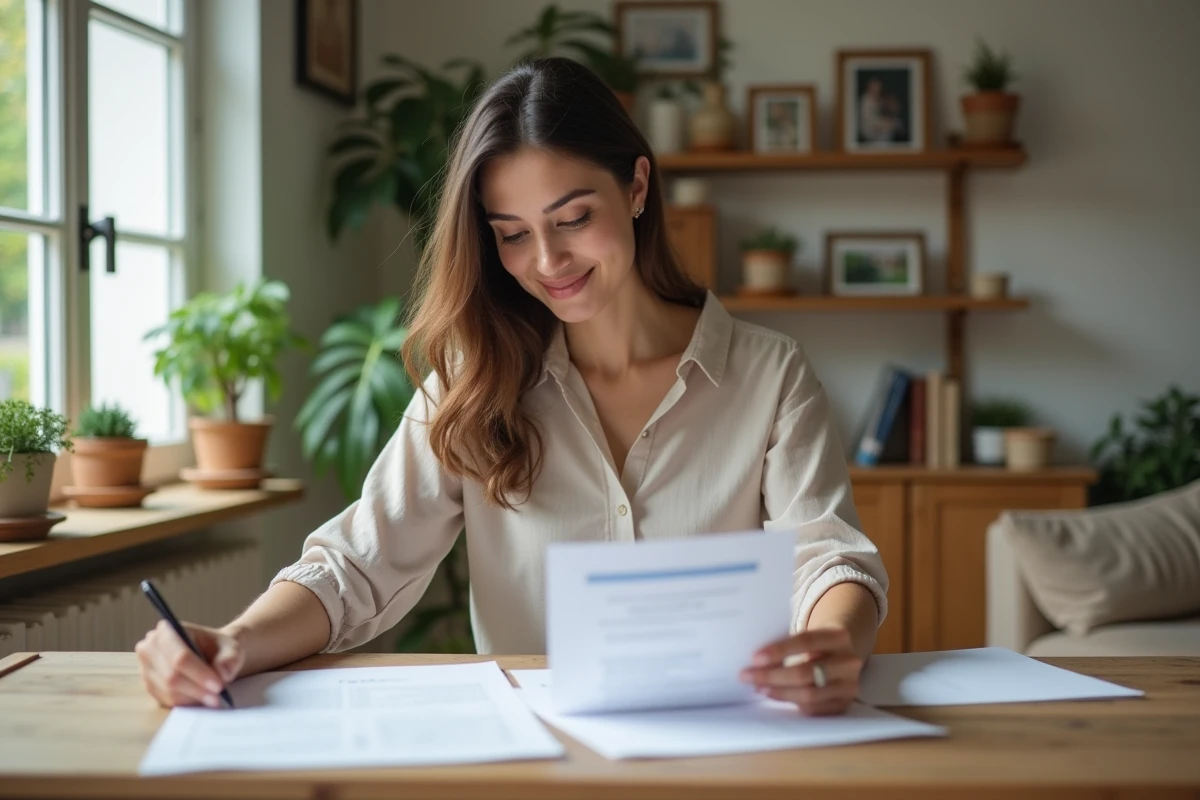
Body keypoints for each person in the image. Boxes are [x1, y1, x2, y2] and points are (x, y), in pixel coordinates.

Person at [136, 57, 888, 718]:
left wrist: (831, 643)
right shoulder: (474, 378)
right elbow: (359, 564)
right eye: (512, 233)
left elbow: (826, 557)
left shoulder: (770, 373)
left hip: (731, 747)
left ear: (636, 187)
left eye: (572, 218)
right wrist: (232, 642)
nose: (548, 260)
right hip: (538, 760)